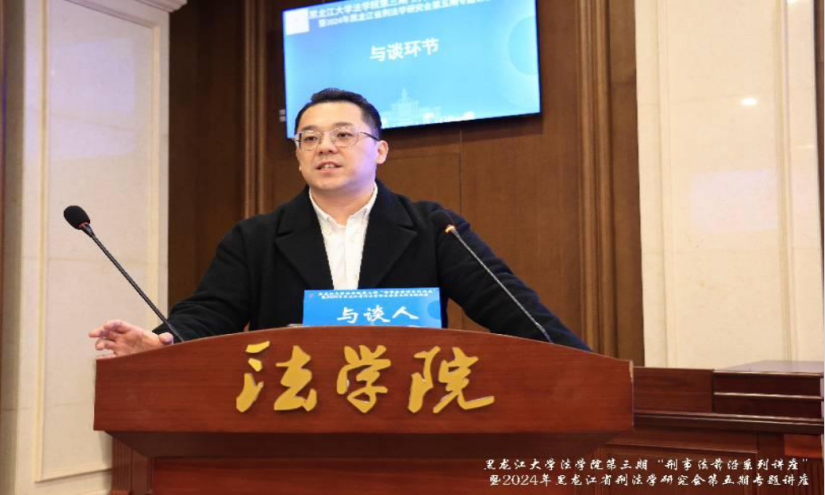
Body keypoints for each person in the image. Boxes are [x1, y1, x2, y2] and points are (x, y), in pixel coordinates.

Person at [90, 89, 590, 357]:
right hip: (290, 415)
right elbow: (211, 311)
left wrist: (587, 366)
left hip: (412, 415)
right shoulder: (256, 237)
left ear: (380, 150)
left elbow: (509, 306)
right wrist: (163, 341)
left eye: (343, 134)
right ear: (298, 156)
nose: (324, 146)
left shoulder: (434, 227)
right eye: (309, 138)